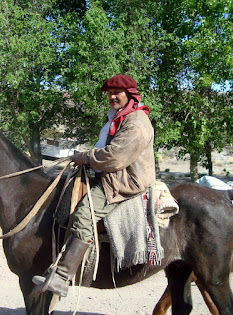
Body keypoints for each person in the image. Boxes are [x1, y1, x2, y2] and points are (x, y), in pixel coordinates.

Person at [32, 74, 156, 297]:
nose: (112, 97)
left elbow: (117, 156)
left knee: (84, 214)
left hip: (125, 179)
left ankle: (62, 277)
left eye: (117, 93)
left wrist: (86, 157)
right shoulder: (118, 117)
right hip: (109, 172)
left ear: (130, 94)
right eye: (109, 93)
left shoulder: (136, 123)